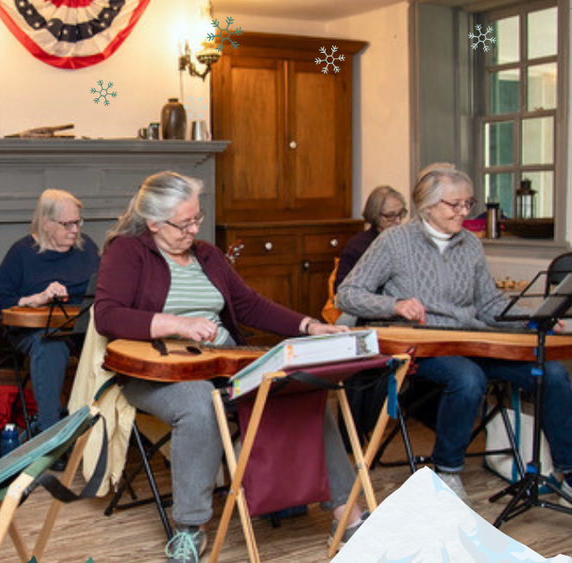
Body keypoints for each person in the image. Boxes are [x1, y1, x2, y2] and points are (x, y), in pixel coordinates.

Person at [94, 171, 364, 563]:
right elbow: (107, 316)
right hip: (158, 372)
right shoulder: (128, 252)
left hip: (224, 361)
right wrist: (177, 324)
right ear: (153, 222)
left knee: (300, 389)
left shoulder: (207, 255)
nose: (192, 229)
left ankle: (348, 515)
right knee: (200, 405)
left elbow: (252, 305)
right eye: (182, 223)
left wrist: (308, 326)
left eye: (196, 219)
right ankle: (190, 528)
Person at [336, 163, 572, 504]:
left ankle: (566, 472)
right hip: (423, 346)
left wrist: (535, 319)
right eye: (455, 204)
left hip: (473, 338)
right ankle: (447, 470)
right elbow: (348, 293)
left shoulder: (470, 246)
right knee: (467, 378)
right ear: (428, 206)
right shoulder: (394, 242)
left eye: (468, 203)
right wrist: (396, 304)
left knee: (551, 373)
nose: (465, 211)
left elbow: (490, 305)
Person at [0, 189, 100, 433]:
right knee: (50, 346)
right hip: (35, 330)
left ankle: (101, 429)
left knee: (109, 344)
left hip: (82, 326)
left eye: (78, 222)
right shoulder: (21, 253)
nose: (75, 230)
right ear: (47, 223)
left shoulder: (87, 247)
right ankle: (50, 436)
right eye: (68, 224)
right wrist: (36, 299)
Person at [333, 185, 408, 293]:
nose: (398, 221)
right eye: (390, 216)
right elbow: (342, 292)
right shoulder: (357, 247)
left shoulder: (405, 240)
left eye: (401, 213)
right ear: (375, 215)